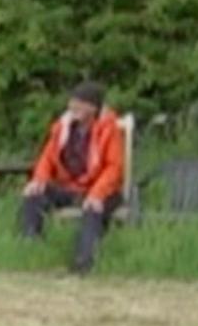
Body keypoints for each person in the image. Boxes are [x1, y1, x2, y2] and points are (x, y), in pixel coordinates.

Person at [19, 78, 128, 276]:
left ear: (93, 108)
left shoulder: (108, 128)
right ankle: (31, 250)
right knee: (33, 195)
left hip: (101, 188)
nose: (73, 107)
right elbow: (47, 157)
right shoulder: (63, 126)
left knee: (93, 210)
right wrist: (39, 180)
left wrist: (96, 194)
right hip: (70, 186)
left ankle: (82, 265)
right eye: (72, 102)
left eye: (80, 103)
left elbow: (114, 168)